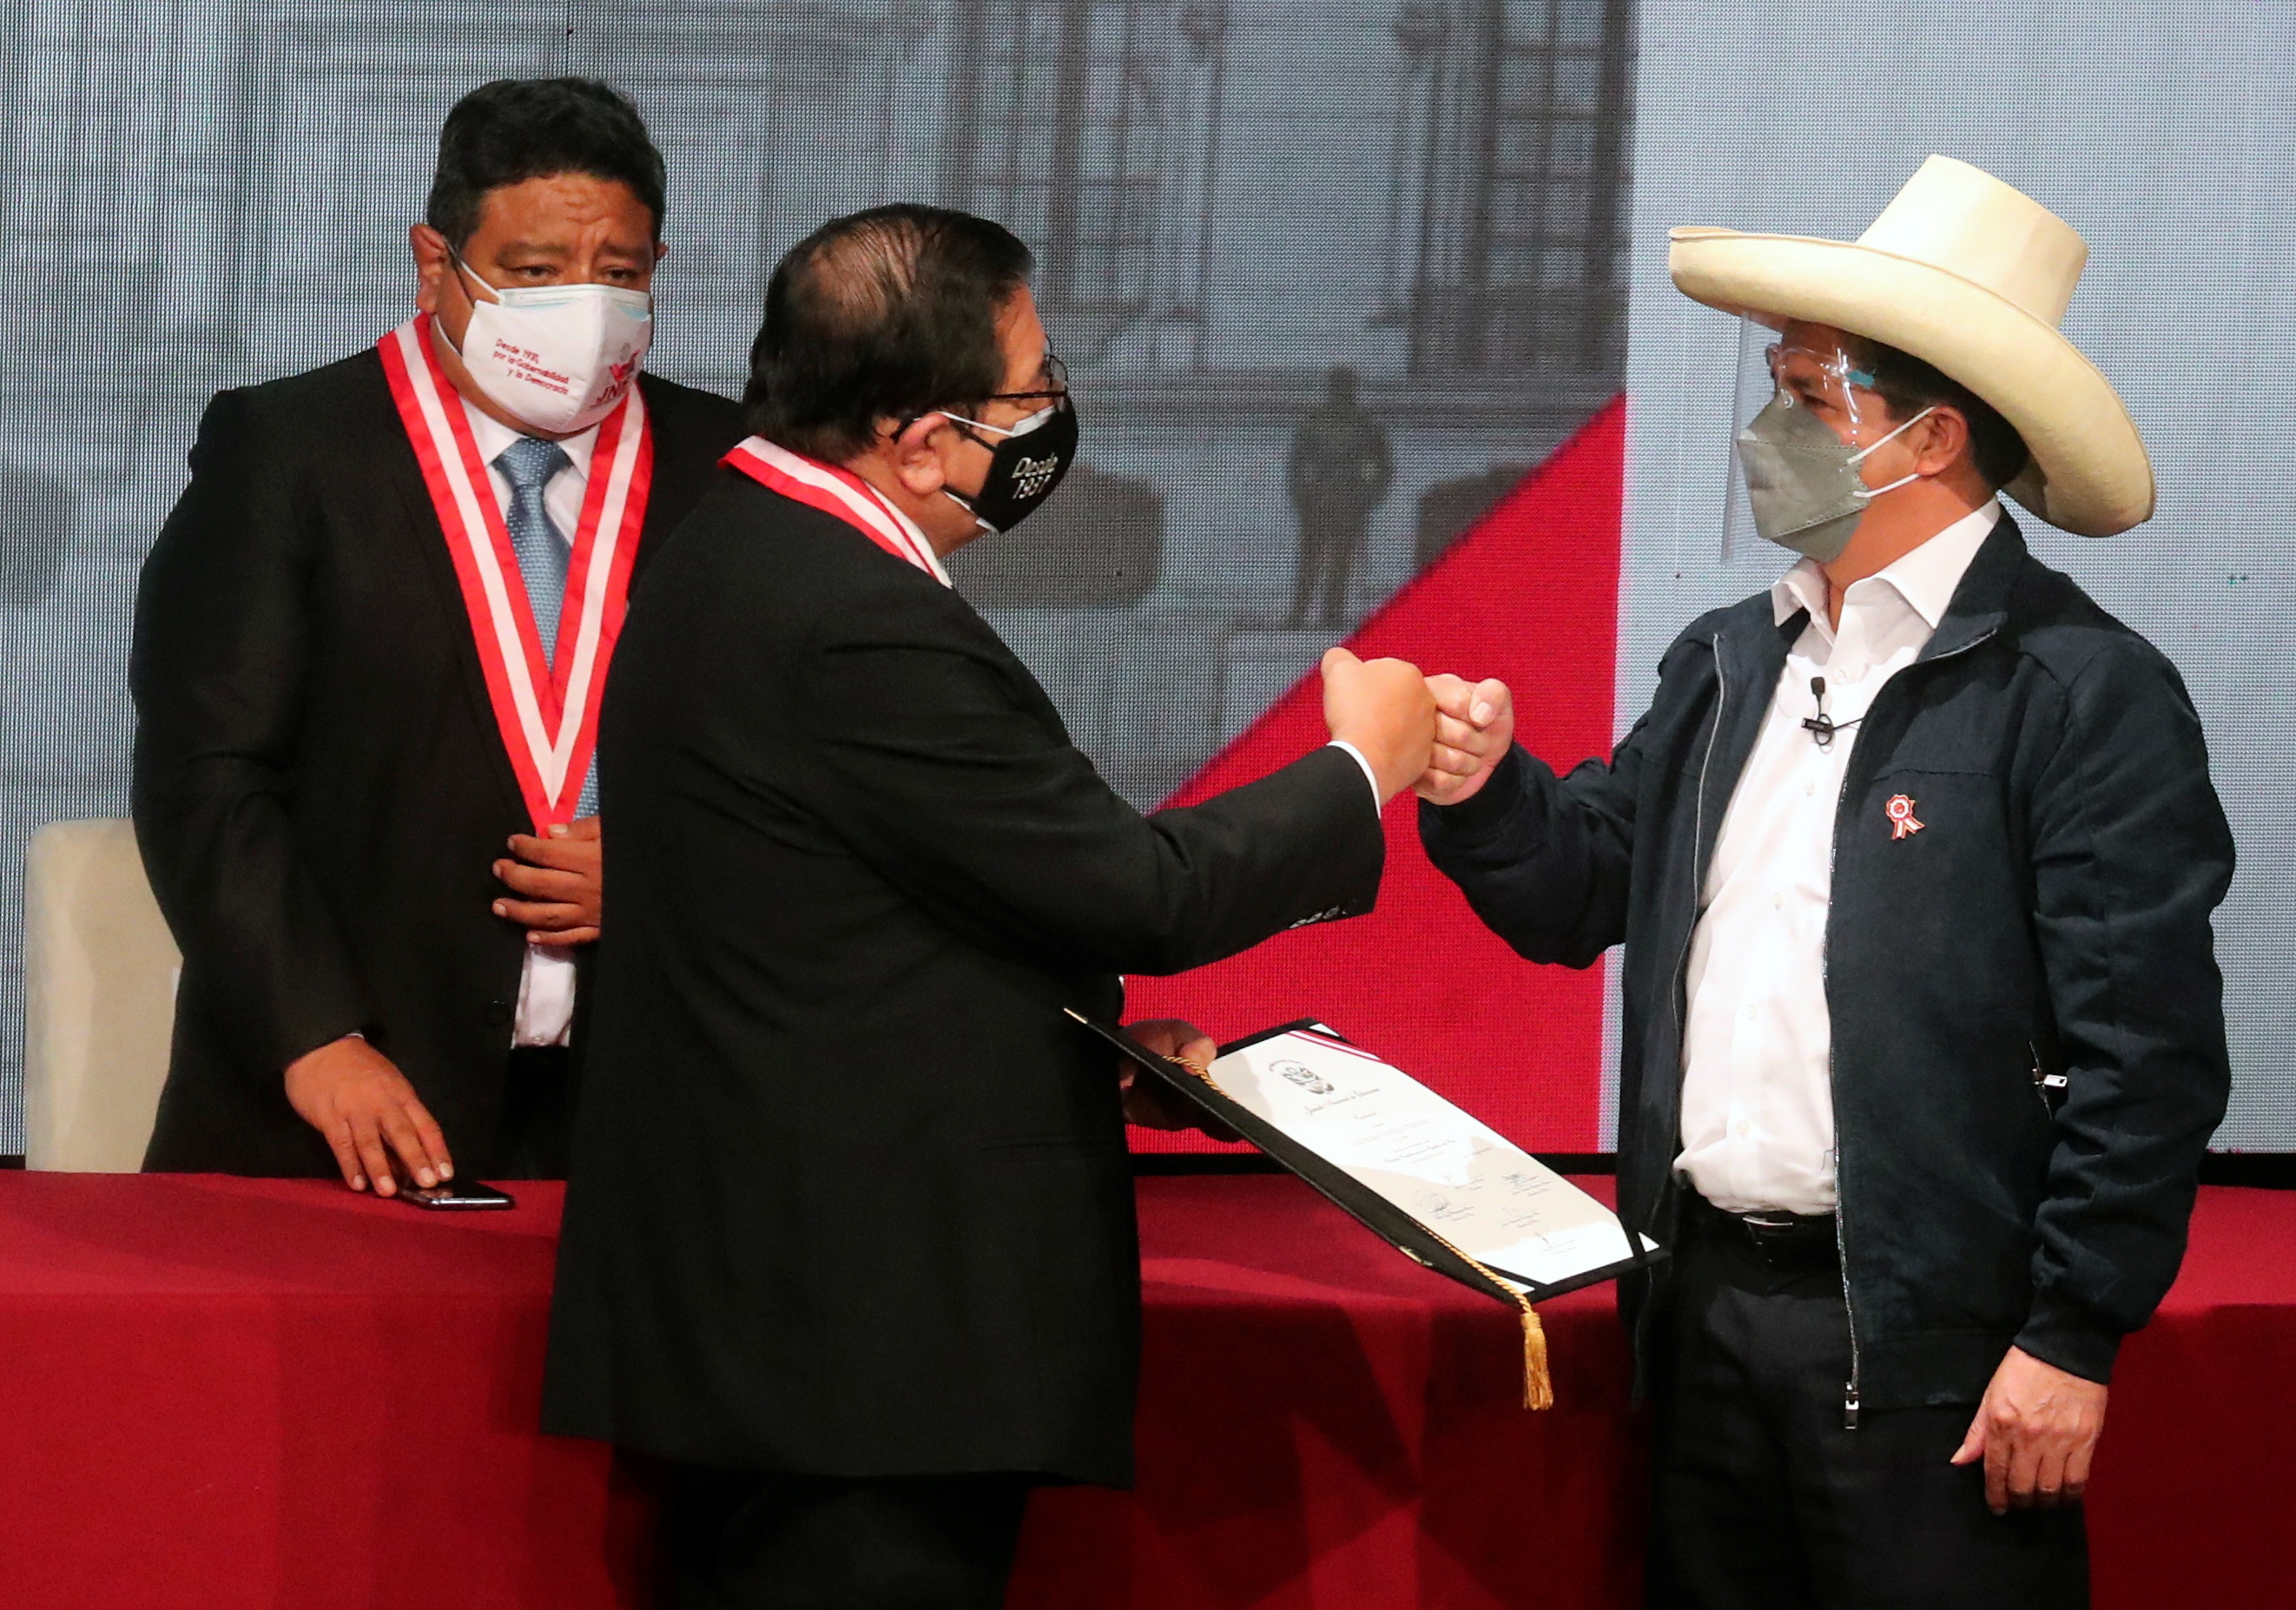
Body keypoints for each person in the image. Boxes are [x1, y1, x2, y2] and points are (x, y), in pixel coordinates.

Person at [542, 204, 1437, 1610]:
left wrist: (1075, 1042)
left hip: (783, 1315)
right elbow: (1139, 889)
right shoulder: (854, 614)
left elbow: (852, 917)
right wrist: (1357, 766)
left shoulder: (734, 534)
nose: (1053, 414)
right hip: (866, 1344)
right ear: (915, 436)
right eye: (1031, 391)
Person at [1413, 157, 2232, 1607]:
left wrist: (2068, 1333)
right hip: (1706, 1309)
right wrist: (1482, 787)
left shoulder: (2075, 688)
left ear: (1923, 435)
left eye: (1804, 394)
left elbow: (2144, 1055)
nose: (1759, 430)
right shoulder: (1731, 654)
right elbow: (1581, 884)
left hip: (1937, 1346)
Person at [132, 78, 746, 1192]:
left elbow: (807, 776)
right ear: (435, 262)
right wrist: (312, 1039)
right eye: (533, 270)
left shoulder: (733, 471)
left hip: (648, 1115)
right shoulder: (289, 453)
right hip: (344, 1102)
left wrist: (682, 876)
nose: (583, 305)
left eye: (619, 275)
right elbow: (207, 777)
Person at [1286, 363, 1393, 628]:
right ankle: (1317, 613)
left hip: (1334, 496)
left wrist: (1371, 495)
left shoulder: (1340, 423)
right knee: (1327, 558)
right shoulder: (1360, 424)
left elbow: (1383, 467)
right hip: (1337, 496)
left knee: (1323, 558)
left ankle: (1310, 613)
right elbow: (1297, 466)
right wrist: (1372, 495)